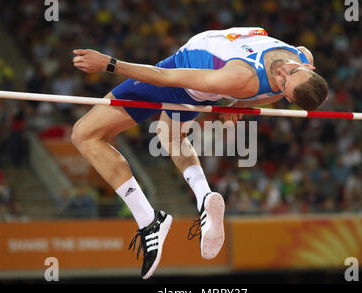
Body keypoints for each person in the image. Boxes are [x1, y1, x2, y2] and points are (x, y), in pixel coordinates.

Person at [71, 27, 328, 279]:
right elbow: (268, 92)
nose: (283, 71)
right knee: (170, 135)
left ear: (284, 94)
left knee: (84, 134)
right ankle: (204, 198)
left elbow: (165, 77)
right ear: (308, 66)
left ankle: (149, 221)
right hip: (207, 78)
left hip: (183, 76)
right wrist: (240, 102)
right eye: (292, 70)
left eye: (283, 82)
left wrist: (110, 63)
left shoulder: (244, 78)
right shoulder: (303, 54)